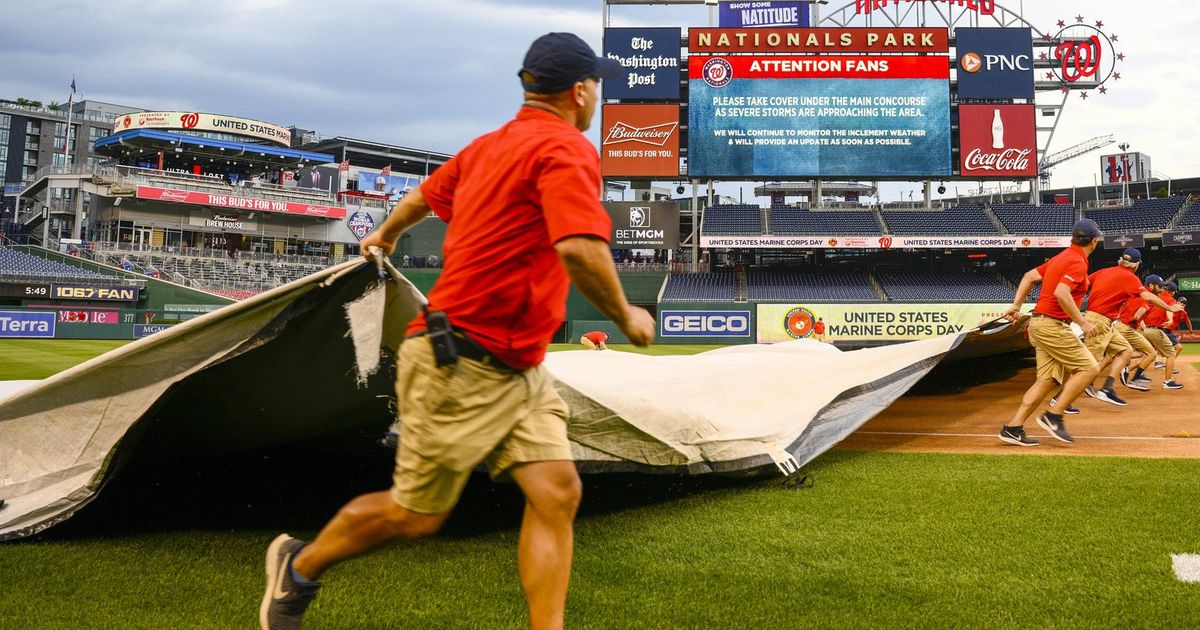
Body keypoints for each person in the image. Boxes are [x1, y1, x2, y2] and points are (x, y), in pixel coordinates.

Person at [259, 33, 645, 630]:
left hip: (516, 367)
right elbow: (577, 248)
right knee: (416, 514)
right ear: (580, 91)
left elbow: (420, 196)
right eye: (596, 83)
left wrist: (386, 234)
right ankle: (298, 565)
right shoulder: (565, 148)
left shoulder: (487, 147)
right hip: (459, 361)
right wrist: (627, 316)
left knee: (557, 492)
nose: (596, 95)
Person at [998, 219, 1104, 446]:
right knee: (1090, 368)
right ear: (1094, 241)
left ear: (1073, 238)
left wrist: (1016, 306)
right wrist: (1082, 322)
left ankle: (1012, 428)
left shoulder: (1062, 257)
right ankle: (1053, 416)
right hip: (1052, 325)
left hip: (1040, 324)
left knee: (1047, 380)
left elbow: (1028, 276)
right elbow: (1061, 293)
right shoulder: (1077, 262)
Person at [1078, 248, 1179, 406]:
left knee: (1126, 351)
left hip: (1107, 322)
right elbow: (1146, 299)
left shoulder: (1104, 271)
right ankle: (1061, 398)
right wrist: (1170, 308)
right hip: (1100, 320)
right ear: (1136, 264)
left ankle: (1107, 388)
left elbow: (1082, 285)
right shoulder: (1130, 278)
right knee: (1088, 363)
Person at [1134, 276, 1184, 389]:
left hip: (1145, 329)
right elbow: (1169, 308)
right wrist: (1170, 319)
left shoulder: (1155, 297)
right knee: (1171, 354)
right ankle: (1168, 382)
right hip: (1155, 330)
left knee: (1148, 354)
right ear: (1172, 292)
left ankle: (1128, 371)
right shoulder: (1170, 299)